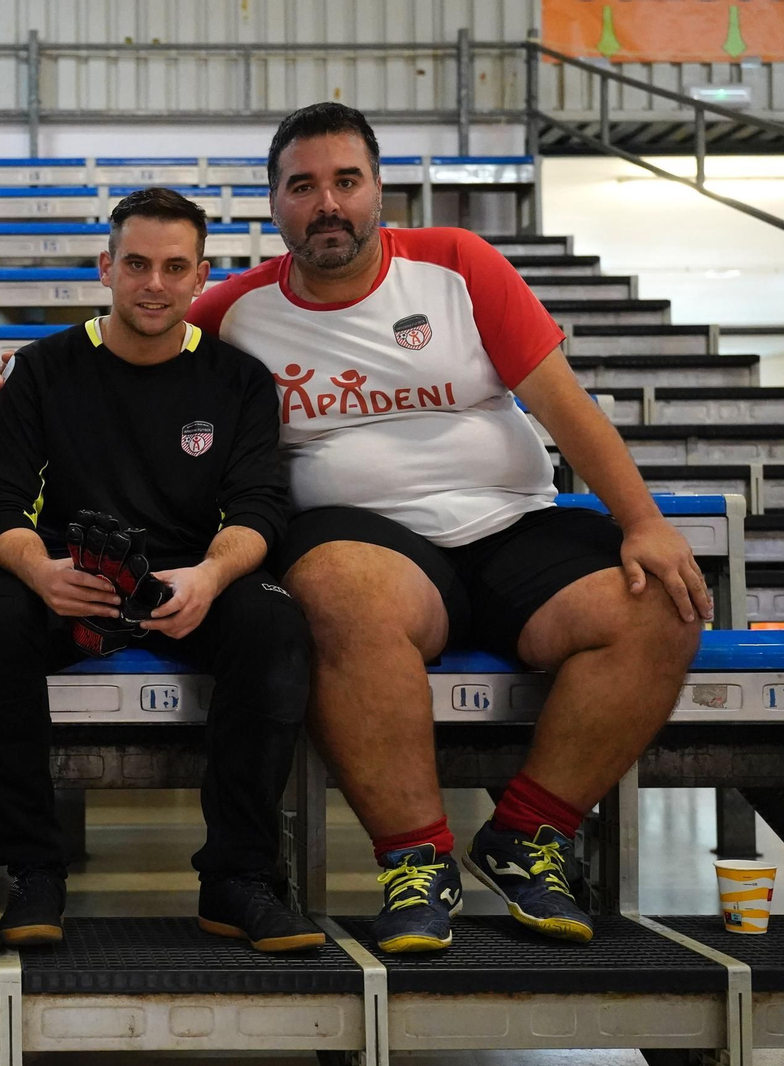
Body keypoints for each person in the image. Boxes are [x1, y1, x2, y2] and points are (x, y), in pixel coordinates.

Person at [185, 103, 707, 951]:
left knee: (661, 600)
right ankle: (416, 862)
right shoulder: (237, 311)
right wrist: (36, 372)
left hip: (513, 523)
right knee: (334, 590)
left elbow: (564, 405)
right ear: (274, 204)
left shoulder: (458, 264)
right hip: (368, 540)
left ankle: (527, 835)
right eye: (303, 186)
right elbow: (128, 348)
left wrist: (642, 522)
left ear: (378, 189)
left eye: (346, 181)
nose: (328, 204)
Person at [0, 188, 323, 952]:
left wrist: (212, 577)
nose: (153, 284)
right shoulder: (42, 370)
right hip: (74, 578)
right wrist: (41, 571)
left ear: (201, 277)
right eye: (135, 264)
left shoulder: (238, 380)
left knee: (274, 623)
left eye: (173, 267)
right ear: (106, 268)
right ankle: (33, 871)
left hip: (189, 581)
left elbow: (259, 509)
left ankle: (240, 877)